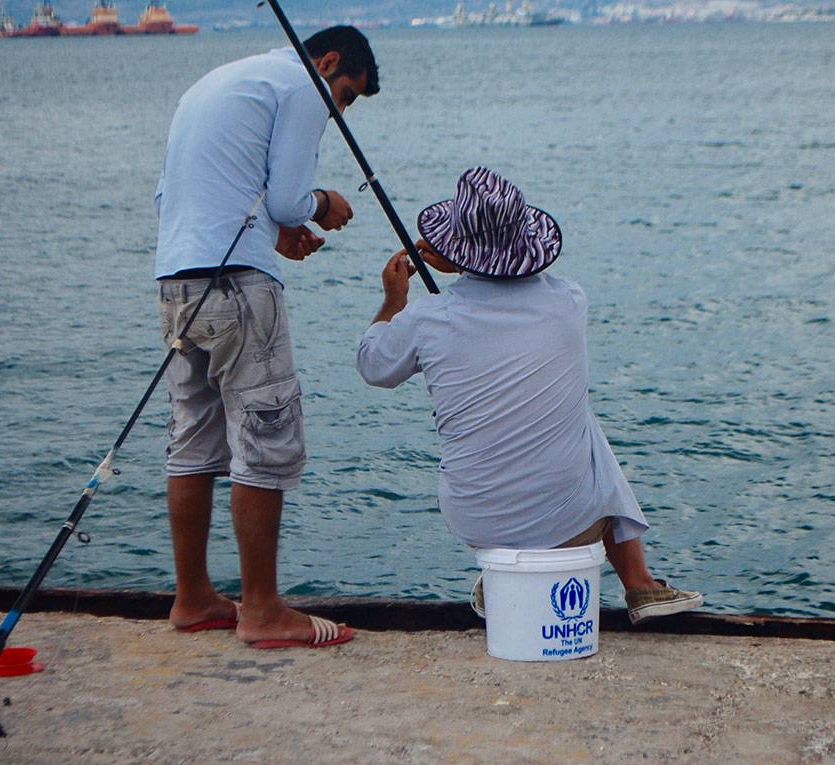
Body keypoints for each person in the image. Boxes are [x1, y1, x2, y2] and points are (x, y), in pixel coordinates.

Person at [355, 167, 703, 624]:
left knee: (569, 425)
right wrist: (464, 264)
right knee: (581, 422)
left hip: (477, 520)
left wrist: (393, 302)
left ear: (451, 249)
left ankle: (500, 576)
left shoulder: (427, 318)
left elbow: (373, 366)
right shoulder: (569, 303)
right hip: (576, 522)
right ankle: (639, 584)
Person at [153, 26, 379, 648]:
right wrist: (321, 202)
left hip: (177, 280)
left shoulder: (220, 81)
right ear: (328, 61)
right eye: (346, 95)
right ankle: (261, 610)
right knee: (266, 438)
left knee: (192, 440)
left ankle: (193, 596)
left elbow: (180, 192)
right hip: (237, 288)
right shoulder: (302, 85)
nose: (338, 110)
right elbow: (285, 196)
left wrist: (274, 233)